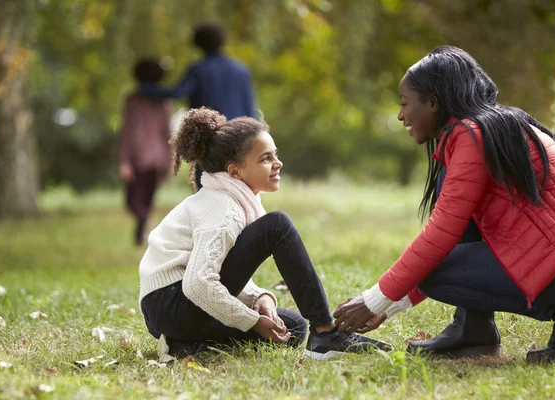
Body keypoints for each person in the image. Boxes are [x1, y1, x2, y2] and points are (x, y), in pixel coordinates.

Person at [333, 45, 555, 364]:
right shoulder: (480, 132)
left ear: (433, 102)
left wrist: (375, 301)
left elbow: (440, 236)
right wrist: (389, 305)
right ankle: (473, 329)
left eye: (404, 104)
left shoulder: (474, 136)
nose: (401, 115)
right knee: (442, 198)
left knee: (431, 270)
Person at [139, 107, 391, 361]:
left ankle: (186, 344)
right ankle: (326, 332)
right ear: (235, 171)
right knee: (277, 225)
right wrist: (250, 320)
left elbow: (219, 264)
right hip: (171, 303)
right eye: (265, 158)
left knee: (292, 327)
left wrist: (260, 299)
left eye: (275, 155)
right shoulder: (222, 209)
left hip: (171, 311)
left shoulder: (233, 200)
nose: (277, 163)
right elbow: (198, 283)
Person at [141, 23, 257, 189]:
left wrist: (146, 89)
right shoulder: (241, 70)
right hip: (238, 135)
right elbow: (249, 107)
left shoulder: (198, 69)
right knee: (238, 182)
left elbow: (178, 93)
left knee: (206, 183)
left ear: (198, 43)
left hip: (208, 135)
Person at [119, 59, 172, 246]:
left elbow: (127, 131)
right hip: (155, 158)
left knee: (134, 202)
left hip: (140, 158)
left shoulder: (133, 101)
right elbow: (168, 133)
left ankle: (143, 232)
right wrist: (168, 162)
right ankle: (141, 234)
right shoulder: (163, 102)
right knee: (142, 202)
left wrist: (124, 160)